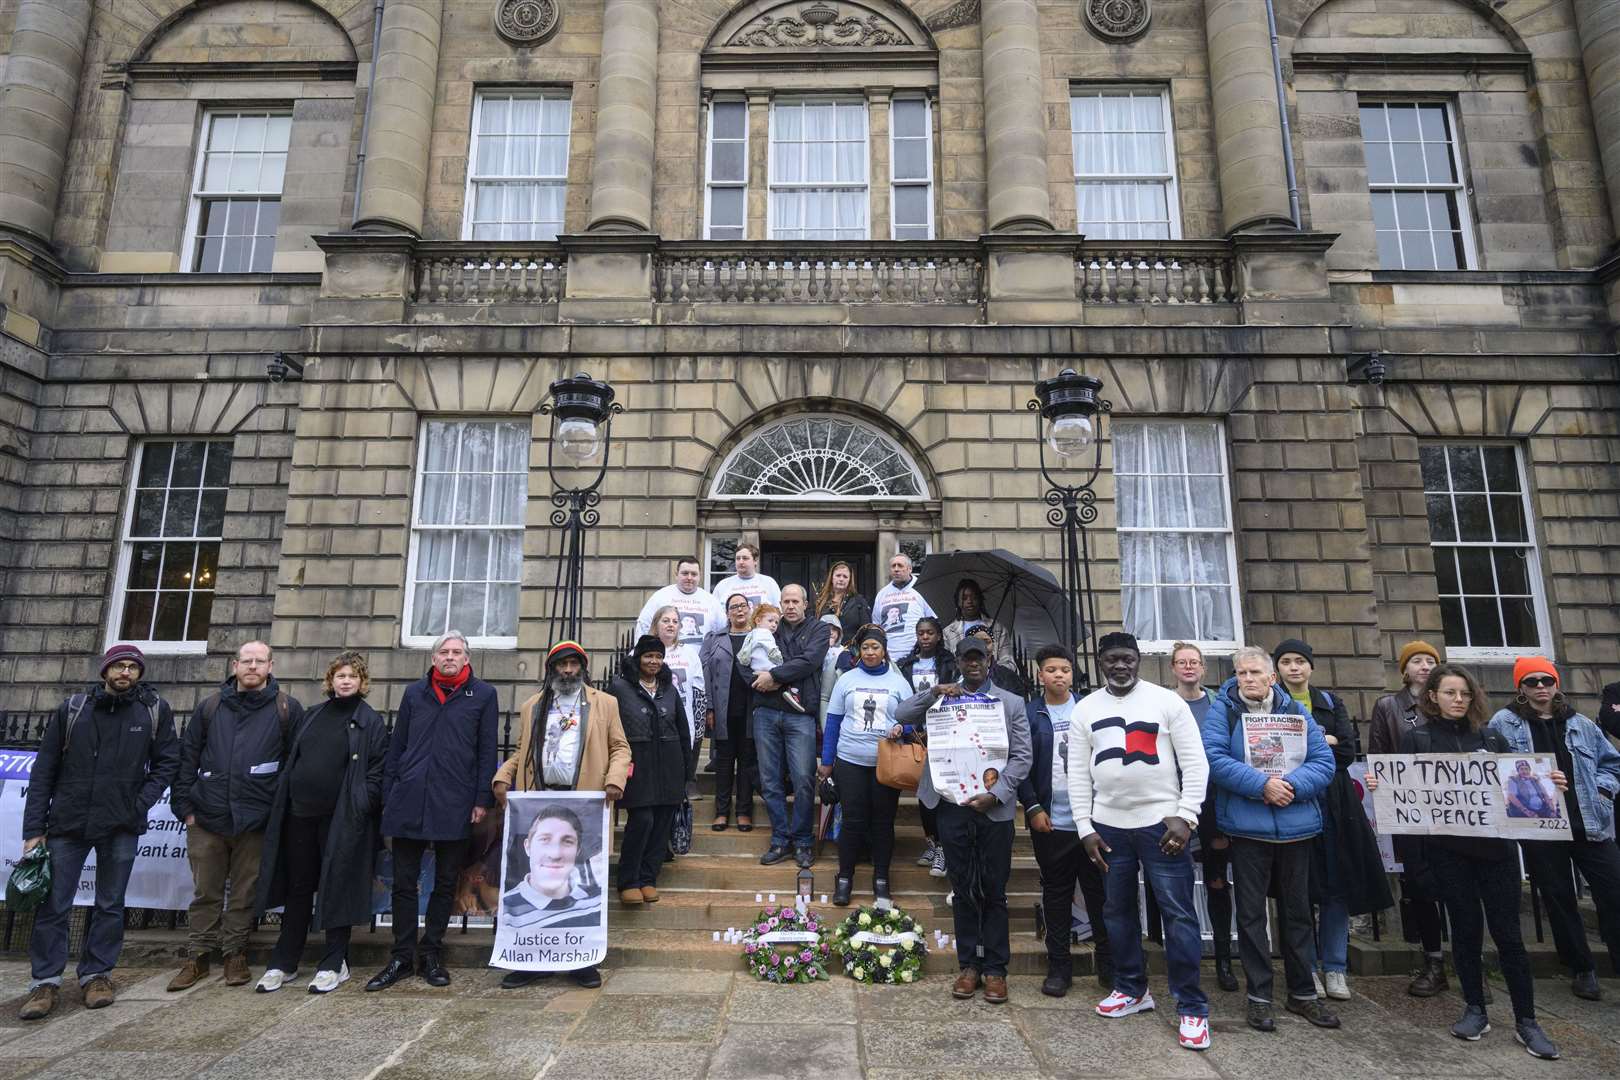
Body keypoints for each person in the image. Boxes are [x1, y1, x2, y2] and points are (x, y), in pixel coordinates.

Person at [1367, 665, 1561, 1059]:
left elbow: (1520, 792)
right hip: (1448, 854)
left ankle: (1527, 1020)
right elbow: (1405, 800)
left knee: (1509, 937)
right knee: (1465, 932)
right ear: (1433, 696)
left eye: (1465, 694)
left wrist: (1550, 784)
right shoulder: (1417, 739)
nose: (1458, 700)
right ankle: (1475, 1008)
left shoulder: (1492, 737)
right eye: (1450, 693)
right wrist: (1383, 787)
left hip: (1497, 854)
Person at [18, 645, 179, 1020]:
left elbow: (167, 762)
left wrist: (138, 804)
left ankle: (97, 975)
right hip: (67, 824)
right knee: (54, 905)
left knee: (110, 904)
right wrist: (34, 829)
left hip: (120, 825)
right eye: (118, 666)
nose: (125, 673)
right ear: (105, 670)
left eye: (132, 667)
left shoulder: (152, 711)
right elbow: (44, 771)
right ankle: (45, 981)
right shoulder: (73, 711)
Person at [1069, 633, 1211, 1051]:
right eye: (1112, 660)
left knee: (1178, 915)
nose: (1121, 666)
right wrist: (1085, 827)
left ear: (1138, 660)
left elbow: (1196, 763)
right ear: (1100, 662)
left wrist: (1187, 816)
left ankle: (1192, 1008)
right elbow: (1077, 773)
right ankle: (1132, 989)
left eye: (1128, 659)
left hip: (1162, 825)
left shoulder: (1168, 703)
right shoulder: (1086, 709)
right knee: (1117, 913)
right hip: (1108, 828)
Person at [1201, 645, 1338, 1032]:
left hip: (1295, 827)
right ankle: (1259, 996)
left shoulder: (1295, 711)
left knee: (1297, 914)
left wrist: (1289, 786)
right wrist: (1262, 786)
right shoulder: (1224, 710)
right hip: (1247, 829)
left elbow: (1323, 762)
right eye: (1241, 673)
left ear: (1271, 678)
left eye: (1255, 673)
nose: (1248, 680)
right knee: (1250, 915)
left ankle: (1303, 994)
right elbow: (1214, 757)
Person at [897, 636, 1032, 1005]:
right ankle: (969, 965)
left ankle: (996, 970)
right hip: (951, 804)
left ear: (989, 660)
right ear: (957, 660)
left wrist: (998, 793)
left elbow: (1022, 757)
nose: (973, 664)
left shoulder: (1011, 703)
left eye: (979, 658)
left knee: (993, 888)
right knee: (962, 887)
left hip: (994, 805)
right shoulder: (943, 696)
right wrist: (933, 692)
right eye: (966, 658)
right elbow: (901, 715)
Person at [493, 640, 630, 989]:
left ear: (582, 668)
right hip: (541, 802)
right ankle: (532, 960)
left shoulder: (605, 704)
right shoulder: (533, 706)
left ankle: (581, 960)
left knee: (583, 884)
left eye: (573, 664)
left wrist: (615, 780)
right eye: (561, 665)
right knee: (539, 879)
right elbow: (521, 752)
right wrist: (502, 777)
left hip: (583, 803)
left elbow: (620, 748)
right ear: (551, 669)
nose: (568, 671)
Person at [367, 631, 498, 992]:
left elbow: (487, 751)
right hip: (409, 797)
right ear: (434, 657)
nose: (450, 657)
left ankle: (431, 954)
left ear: (467, 658)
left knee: (444, 882)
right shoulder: (414, 693)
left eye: (457, 652)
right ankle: (402, 955)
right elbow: (398, 746)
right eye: (444, 651)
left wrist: (480, 800)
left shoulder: (484, 695)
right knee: (404, 883)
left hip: (454, 800)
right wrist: (391, 790)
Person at [168, 640, 301, 992]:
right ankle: (197, 956)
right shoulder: (210, 708)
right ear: (234, 665)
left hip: (256, 820)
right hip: (208, 817)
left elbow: (292, 765)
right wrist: (185, 809)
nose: (253, 667)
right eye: (247, 661)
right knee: (205, 891)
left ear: (271, 666)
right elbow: (187, 760)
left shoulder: (287, 709)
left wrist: (277, 813)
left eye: (260, 661)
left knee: (245, 893)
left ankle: (234, 954)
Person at [254, 651, 389, 994]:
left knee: (337, 887)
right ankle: (284, 961)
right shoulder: (312, 715)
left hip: (342, 819)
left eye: (352, 676)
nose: (345, 681)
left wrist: (361, 803)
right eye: (340, 675)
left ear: (362, 682)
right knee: (299, 889)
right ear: (330, 680)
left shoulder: (369, 720)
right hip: (300, 814)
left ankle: (334, 961)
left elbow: (377, 772)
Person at [1487, 656, 1620, 1002]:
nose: (1540, 687)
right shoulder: (1504, 723)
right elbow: (1490, 770)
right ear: (1520, 687)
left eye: (1546, 680)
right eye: (1531, 681)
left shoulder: (1580, 723)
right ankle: (1582, 968)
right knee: (1559, 899)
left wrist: (1604, 791)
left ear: (1556, 683)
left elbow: (1611, 764)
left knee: (1614, 893)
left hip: (1590, 823)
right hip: (1541, 827)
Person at [1272, 639, 1391, 1003]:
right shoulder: (1272, 704)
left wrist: (1310, 743)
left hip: (1336, 805)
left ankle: (1335, 966)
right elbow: (1273, 752)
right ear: (1277, 669)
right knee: (1299, 891)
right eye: (1287, 662)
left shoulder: (1330, 702)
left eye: (1300, 662)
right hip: (1293, 802)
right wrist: (1321, 740)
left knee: (1337, 889)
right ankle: (1306, 966)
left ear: (1311, 667)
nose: (1294, 668)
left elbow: (1345, 752)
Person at [1016, 645, 1112, 999]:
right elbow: (1021, 763)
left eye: (1065, 670)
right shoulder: (1030, 713)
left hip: (1094, 821)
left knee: (1099, 895)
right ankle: (1059, 966)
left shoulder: (1090, 708)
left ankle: (1108, 963)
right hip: (1051, 822)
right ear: (1040, 675)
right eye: (1052, 670)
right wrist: (1032, 806)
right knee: (1056, 896)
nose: (1059, 675)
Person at [1368, 639, 1447, 997]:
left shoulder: (1450, 700)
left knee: (1460, 888)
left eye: (1430, 660)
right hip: (1410, 809)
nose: (1424, 666)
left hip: (1452, 811)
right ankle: (1433, 959)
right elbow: (1379, 755)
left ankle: (1467, 959)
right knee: (1421, 886)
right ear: (1404, 669)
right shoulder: (1389, 706)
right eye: (1416, 660)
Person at [818, 625, 914, 904]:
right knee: (852, 821)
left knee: (883, 823)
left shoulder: (898, 682)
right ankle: (844, 878)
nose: (870, 652)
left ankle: (881, 880)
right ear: (858, 651)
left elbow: (912, 720)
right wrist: (826, 761)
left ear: (884, 651)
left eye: (876, 647)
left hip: (887, 764)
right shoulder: (846, 679)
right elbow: (833, 722)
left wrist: (902, 729)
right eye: (866, 647)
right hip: (850, 761)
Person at [1167, 642, 1236, 992]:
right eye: (1182, 662)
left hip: (1214, 802)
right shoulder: (1164, 703)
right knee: (1174, 881)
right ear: (1173, 668)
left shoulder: (1218, 704)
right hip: (1174, 801)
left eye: (1194, 662)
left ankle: (1223, 959)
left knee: (1216, 881)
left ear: (1204, 668)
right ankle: (1179, 957)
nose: (1189, 667)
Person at [751, 584, 832, 870]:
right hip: (766, 712)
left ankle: (802, 841)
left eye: (795, 601)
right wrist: (783, 672)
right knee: (770, 780)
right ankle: (780, 839)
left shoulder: (819, 630)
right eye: (785, 601)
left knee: (803, 779)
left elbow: (809, 661)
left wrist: (774, 675)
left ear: (806, 604)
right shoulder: (768, 627)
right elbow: (749, 659)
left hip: (801, 716)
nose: (790, 606)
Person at [610, 636, 694, 907]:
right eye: (648, 656)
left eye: (658, 657)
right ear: (638, 658)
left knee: (661, 825)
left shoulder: (669, 688)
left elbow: (683, 730)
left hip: (669, 766)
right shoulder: (620, 688)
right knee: (642, 821)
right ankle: (628, 880)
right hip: (638, 766)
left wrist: (687, 772)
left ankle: (648, 878)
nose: (654, 662)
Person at [899, 617, 955, 877]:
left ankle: (943, 847)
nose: (925, 637)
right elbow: (902, 700)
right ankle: (931, 843)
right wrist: (911, 728)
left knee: (939, 791)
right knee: (923, 794)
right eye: (921, 633)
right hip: (913, 732)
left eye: (930, 633)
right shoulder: (906, 664)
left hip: (941, 731)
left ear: (939, 636)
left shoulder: (948, 663)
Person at [701, 594, 758, 832]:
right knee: (723, 763)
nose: (739, 610)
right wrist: (709, 707)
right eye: (733, 607)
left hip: (751, 711)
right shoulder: (714, 639)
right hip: (723, 711)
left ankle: (744, 811)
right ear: (727, 613)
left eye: (743, 606)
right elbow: (705, 675)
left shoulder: (760, 635)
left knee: (747, 762)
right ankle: (721, 812)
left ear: (749, 609)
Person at [500, 805, 603, 930]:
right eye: (545, 840)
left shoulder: (597, 902)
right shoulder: (505, 908)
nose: (555, 854)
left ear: (578, 851)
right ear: (527, 847)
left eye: (567, 841)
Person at [652, 604, 708, 756]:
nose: (671, 624)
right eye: (666, 621)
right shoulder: (642, 653)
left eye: (675, 621)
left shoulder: (689, 654)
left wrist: (698, 731)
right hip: (652, 724)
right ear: (656, 625)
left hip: (683, 724)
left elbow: (699, 695)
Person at [634, 557, 725, 646]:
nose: (689, 577)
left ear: (700, 576)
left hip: (701, 661)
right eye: (685, 573)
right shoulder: (660, 597)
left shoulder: (711, 601)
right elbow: (644, 626)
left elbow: (722, 631)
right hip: (665, 659)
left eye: (694, 574)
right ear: (676, 574)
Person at [871, 553, 936, 666]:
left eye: (900, 566)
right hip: (889, 658)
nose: (896, 569)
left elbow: (934, 622)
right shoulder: (882, 594)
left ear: (909, 569)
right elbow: (877, 627)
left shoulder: (923, 589)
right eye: (893, 566)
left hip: (917, 656)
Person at [736, 604, 803, 713]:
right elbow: (771, 648)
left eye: (776, 622)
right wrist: (780, 660)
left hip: (756, 669)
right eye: (770, 621)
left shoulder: (750, 634)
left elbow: (744, 652)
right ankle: (792, 694)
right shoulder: (765, 633)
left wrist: (746, 660)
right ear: (758, 620)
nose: (774, 625)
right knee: (787, 672)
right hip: (768, 666)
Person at [941, 578, 1014, 668]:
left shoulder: (997, 628)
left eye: (974, 597)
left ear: (980, 599)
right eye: (964, 598)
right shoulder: (948, 632)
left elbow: (1009, 662)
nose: (969, 601)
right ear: (958, 602)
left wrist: (991, 671)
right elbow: (947, 664)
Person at [814, 560, 872, 643]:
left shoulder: (859, 601)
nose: (841, 579)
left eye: (845, 577)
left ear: (849, 580)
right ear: (832, 578)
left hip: (850, 651)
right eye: (838, 575)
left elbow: (867, 630)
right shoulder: (821, 601)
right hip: (824, 650)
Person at [712, 543, 781, 612]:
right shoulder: (723, 585)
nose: (741, 562)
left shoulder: (769, 582)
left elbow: (779, 610)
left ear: (755, 561)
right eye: (738, 558)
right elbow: (714, 613)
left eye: (745, 558)